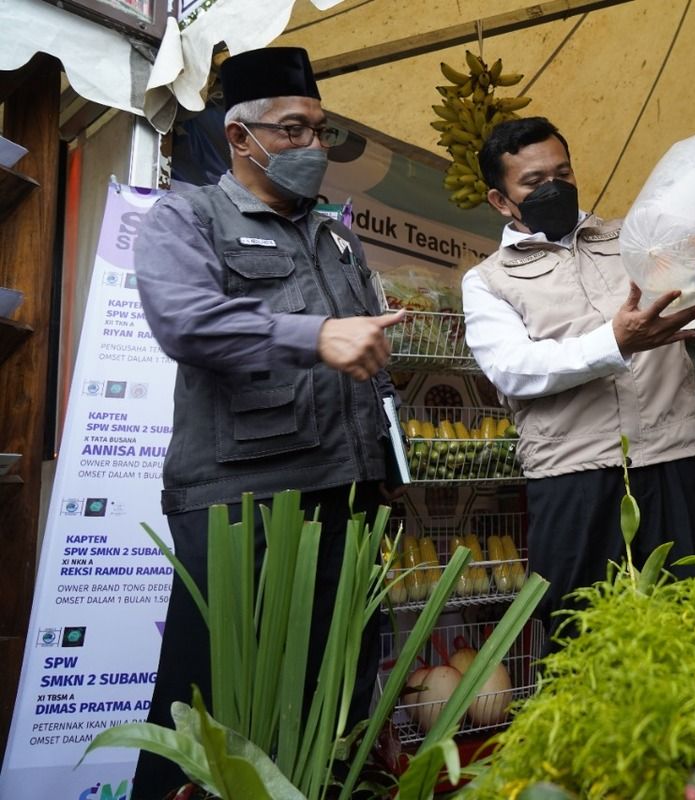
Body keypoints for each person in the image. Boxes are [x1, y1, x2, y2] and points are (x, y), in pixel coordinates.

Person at [131, 47, 403, 799]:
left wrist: (385, 471)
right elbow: (186, 322)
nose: (312, 147)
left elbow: (361, 361)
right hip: (242, 506)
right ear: (239, 136)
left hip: (343, 502)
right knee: (208, 717)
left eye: (319, 131)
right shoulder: (187, 217)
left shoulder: (336, 235)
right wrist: (313, 334)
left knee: (329, 706)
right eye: (292, 130)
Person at [462, 117, 695, 642]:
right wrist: (614, 344)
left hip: (671, 462)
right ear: (500, 200)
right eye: (533, 182)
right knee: (584, 642)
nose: (554, 187)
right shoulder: (488, 280)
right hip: (573, 477)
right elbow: (513, 367)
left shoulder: (636, 238)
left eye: (563, 171)